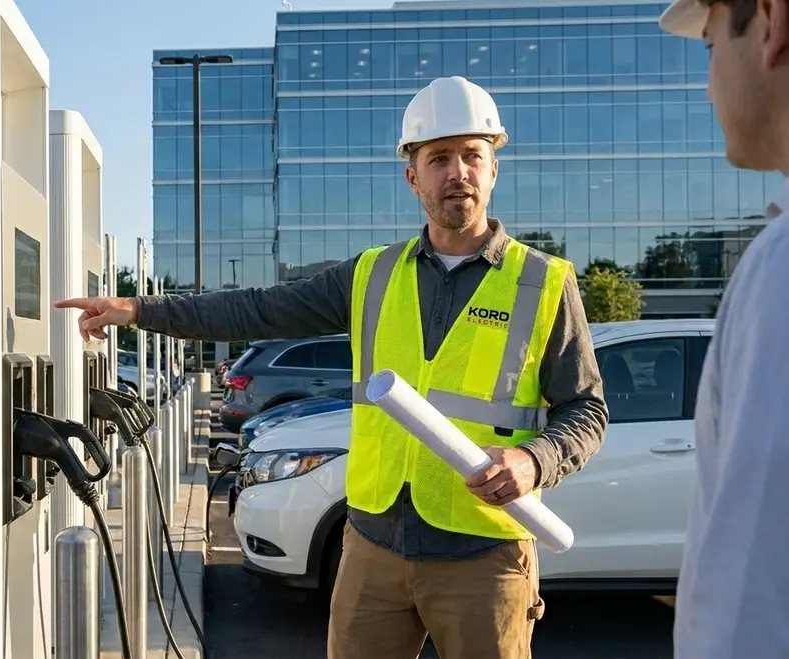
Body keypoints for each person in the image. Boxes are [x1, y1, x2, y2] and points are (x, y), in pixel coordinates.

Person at [55, 76, 608, 658]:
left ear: (494, 168)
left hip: (483, 554)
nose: (458, 172)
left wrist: (533, 459)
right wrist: (140, 309)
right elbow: (258, 308)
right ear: (412, 175)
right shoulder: (371, 274)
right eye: (438, 157)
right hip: (374, 547)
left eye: (473, 155)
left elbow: (586, 410)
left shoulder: (544, 282)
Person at [658, 1, 789, 657]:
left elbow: (752, 605)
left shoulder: (781, 266)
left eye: (709, 47)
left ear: (772, 21)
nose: (707, 82)